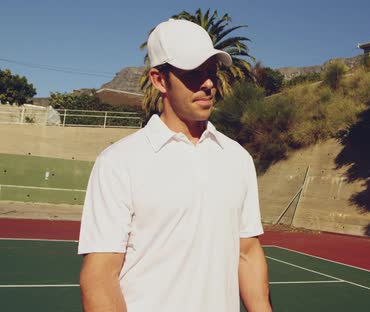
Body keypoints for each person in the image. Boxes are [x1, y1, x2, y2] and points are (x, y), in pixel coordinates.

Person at [78, 19, 272, 312]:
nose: (208, 84)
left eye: (210, 73)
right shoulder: (118, 161)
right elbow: (100, 274)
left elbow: (248, 252)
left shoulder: (238, 158)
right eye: (193, 74)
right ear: (159, 80)